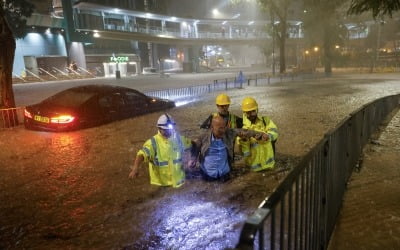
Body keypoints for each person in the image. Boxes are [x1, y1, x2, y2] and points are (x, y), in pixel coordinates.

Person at [128, 114, 193, 188]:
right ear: (159, 128)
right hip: (161, 185)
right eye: (165, 130)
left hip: (179, 182)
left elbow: (191, 144)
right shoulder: (153, 143)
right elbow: (142, 154)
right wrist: (135, 168)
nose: (168, 131)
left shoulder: (178, 139)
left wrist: (192, 158)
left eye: (170, 129)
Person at [193, 116, 261, 181]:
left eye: (224, 127)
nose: (223, 131)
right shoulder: (203, 137)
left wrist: (259, 134)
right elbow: (195, 146)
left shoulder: (228, 133)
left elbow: (244, 131)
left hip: (225, 175)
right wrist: (193, 158)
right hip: (207, 175)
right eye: (220, 128)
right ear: (212, 127)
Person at [239, 97, 278, 171]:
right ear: (245, 113)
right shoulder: (244, 129)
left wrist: (267, 136)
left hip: (269, 165)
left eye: (253, 111)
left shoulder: (265, 121)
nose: (251, 114)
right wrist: (244, 141)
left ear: (257, 109)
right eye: (248, 112)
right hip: (254, 169)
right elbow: (245, 153)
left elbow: (275, 132)